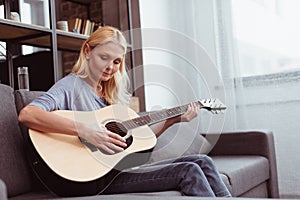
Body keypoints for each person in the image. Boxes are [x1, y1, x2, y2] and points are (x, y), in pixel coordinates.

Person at [18, 26, 231, 197]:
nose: (110, 67)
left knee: (202, 161)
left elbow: (139, 143)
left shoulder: (111, 100)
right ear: (87, 52)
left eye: (116, 62)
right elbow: (28, 114)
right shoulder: (71, 86)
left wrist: (172, 121)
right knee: (189, 172)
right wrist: (85, 130)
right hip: (82, 180)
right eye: (104, 57)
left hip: (114, 171)